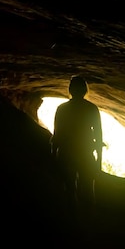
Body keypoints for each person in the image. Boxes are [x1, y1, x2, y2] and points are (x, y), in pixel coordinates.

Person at [51, 75, 103, 210]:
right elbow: (98, 135)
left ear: (70, 90)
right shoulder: (91, 109)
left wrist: (53, 156)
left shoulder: (62, 108)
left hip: (66, 153)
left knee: (68, 189)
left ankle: (71, 219)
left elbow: (57, 134)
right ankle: (88, 219)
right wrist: (99, 161)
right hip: (85, 153)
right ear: (85, 90)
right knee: (87, 189)